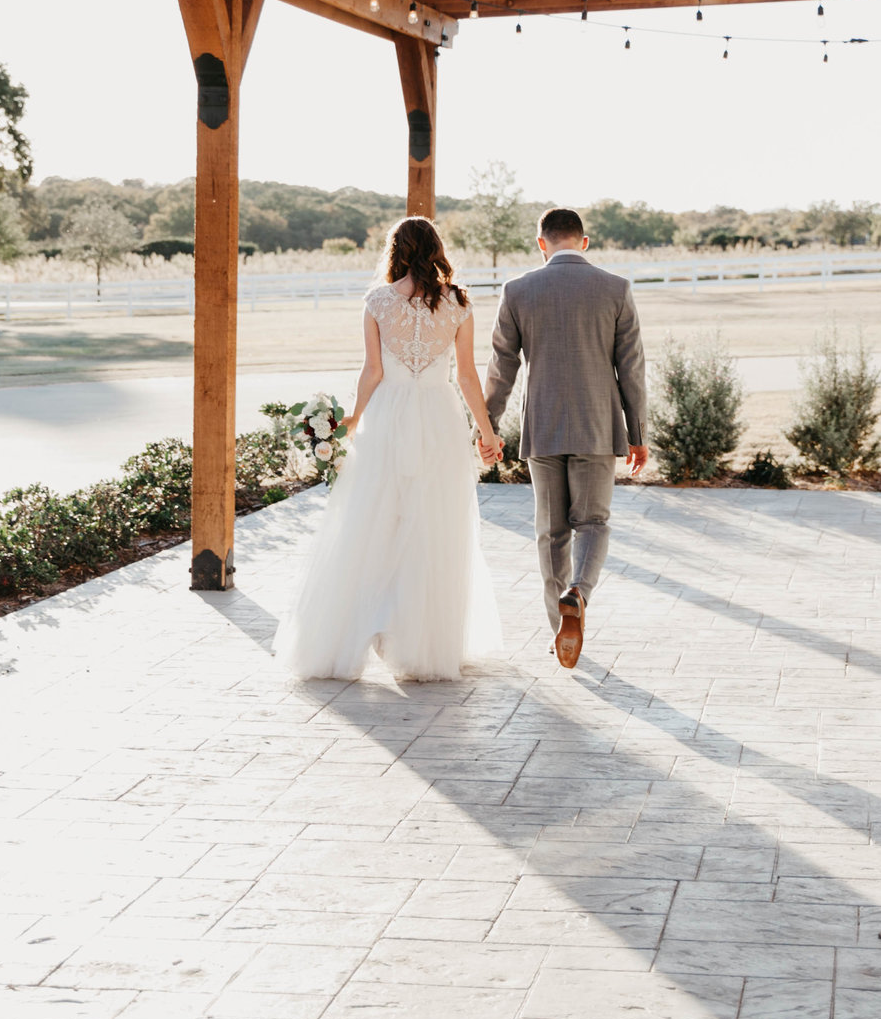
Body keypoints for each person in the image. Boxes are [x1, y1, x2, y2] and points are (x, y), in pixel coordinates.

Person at [274, 217, 505, 682]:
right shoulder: (458, 302)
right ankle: (423, 645)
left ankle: (363, 631)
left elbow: (373, 372)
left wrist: (352, 423)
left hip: (388, 419)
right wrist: (486, 434)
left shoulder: (378, 301)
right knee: (435, 528)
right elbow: (465, 376)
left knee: (374, 522)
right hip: (439, 419)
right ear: (436, 248)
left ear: (395, 250)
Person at [484, 207, 647, 668]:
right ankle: (579, 593)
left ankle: (559, 629)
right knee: (593, 523)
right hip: (597, 425)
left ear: (542, 243)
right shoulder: (615, 289)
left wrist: (489, 424)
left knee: (551, 532)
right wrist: (637, 433)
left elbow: (502, 366)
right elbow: (631, 368)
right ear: (584, 242)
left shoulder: (517, 291)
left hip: (543, 426)